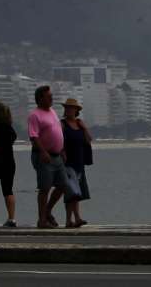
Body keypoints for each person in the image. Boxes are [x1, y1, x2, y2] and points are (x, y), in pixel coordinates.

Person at [27, 85, 66, 229]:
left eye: (51, 95)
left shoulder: (53, 112)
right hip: (43, 156)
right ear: (40, 98)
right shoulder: (35, 115)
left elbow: (57, 132)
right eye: (48, 96)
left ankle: (48, 211)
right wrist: (43, 152)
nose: (51, 98)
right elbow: (34, 136)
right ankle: (42, 219)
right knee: (45, 188)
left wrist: (62, 150)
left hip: (57, 156)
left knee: (62, 185)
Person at [60, 98, 93, 228]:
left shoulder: (80, 124)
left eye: (71, 108)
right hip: (68, 162)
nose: (69, 110)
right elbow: (58, 139)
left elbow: (89, 140)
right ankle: (75, 218)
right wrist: (62, 152)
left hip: (79, 162)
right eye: (67, 108)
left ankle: (70, 220)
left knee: (76, 193)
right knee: (72, 191)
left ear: (76, 110)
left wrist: (84, 128)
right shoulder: (62, 124)